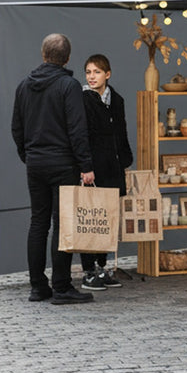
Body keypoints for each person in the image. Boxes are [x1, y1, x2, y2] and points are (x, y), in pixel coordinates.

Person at [11, 33, 96, 305]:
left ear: (43, 54)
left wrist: (28, 155)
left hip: (35, 162)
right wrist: (86, 165)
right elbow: (77, 129)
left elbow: (17, 128)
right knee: (62, 225)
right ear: (68, 58)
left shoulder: (24, 85)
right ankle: (61, 287)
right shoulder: (68, 86)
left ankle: (38, 286)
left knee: (38, 222)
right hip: (63, 163)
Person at [79, 54, 133, 291]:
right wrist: (84, 167)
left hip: (114, 166)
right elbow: (80, 135)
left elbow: (122, 132)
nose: (92, 76)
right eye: (88, 72)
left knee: (108, 218)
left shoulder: (117, 100)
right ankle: (89, 271)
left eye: (96, 72)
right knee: (90, 218)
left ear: (107, 74)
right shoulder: (82, 99)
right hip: (92, 169)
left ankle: (102, 266)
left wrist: (126, 161)